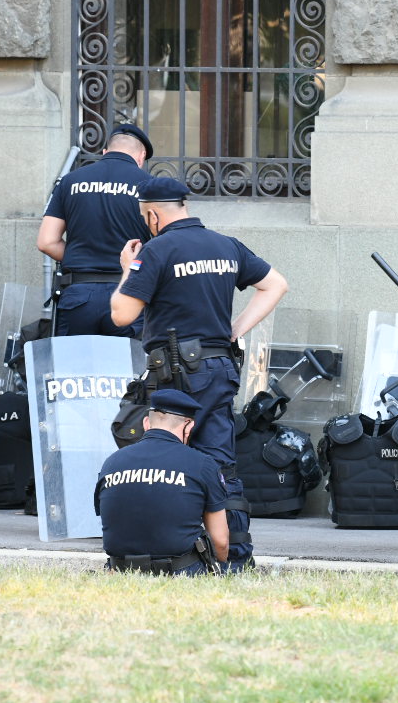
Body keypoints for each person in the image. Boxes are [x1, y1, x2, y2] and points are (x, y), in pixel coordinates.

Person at [109, 176, 288, 568]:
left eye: (146, 218)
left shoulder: (156, 251)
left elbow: (122, 313)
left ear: (153, 215)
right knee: (219, 464)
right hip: (218, 368)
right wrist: (235, 330)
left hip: (175, 374)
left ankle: (168, 549)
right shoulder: (225, 246)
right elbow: (276, 285)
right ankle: (234, 558)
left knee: (162, 458)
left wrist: (127, 270)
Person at [95, 388, 229, 576]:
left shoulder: (112, 462)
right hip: (180, 573)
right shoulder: (203, 465)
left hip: (119, 573)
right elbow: (220, 542)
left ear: (146, 423)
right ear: (189, 427)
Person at [37, 124, 152, 337]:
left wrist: (81, 257)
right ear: (141, 156)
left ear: (105, 152)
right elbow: (164, 246)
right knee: (126, 368)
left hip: (78, 294)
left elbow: (46, 241)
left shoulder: (70, 181)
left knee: (74, 369)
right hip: (128, 293)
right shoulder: (150, 186)